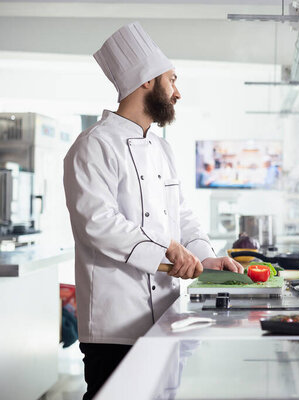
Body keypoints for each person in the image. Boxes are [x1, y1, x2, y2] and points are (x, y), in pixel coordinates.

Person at [63, 22, 244, 400]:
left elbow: (183, 217)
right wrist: (167, 253)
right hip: (115, 326)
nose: (177, 93)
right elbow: (98, 224)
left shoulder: (162, 149)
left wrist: (207, 259)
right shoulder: (92, 146)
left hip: (166, 316)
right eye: (171, 80)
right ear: (146, 81)